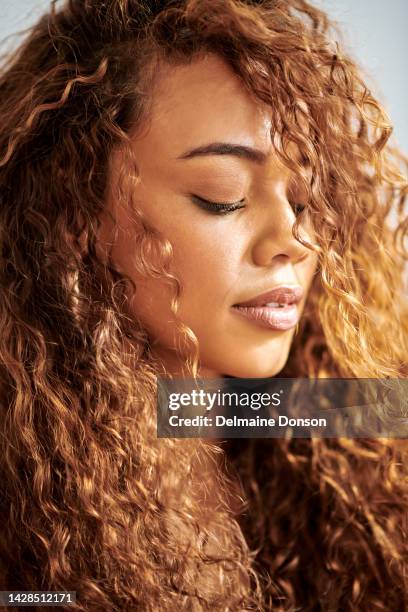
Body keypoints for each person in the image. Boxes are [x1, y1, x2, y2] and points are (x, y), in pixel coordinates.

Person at [0, 1, 407, 610]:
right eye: (224, 196)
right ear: (74, 215)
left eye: (305, 198)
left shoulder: (317, 416)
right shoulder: (19, 482)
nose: (293, 240)